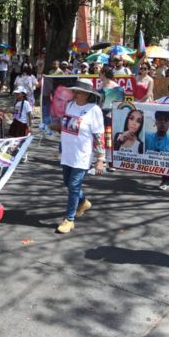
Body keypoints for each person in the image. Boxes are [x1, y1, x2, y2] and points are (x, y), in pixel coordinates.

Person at [48, 80, 105, 233]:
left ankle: (69, 219)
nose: (75, 94)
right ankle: (83, 202)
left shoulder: (94, 110)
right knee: (68, 183)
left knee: (73, 186)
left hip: (82, 155)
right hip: (68, 153)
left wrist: (100, 159)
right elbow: (65, 126)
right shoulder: (70, 105)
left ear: (87, 95)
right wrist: (49, 127)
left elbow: (99, 136)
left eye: (79, 92)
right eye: (75, 91)